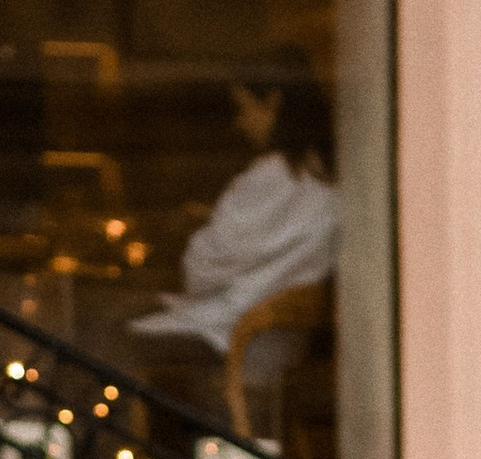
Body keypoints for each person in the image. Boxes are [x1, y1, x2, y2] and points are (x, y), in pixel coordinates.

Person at [130, 55, 341, 383]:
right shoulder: (329, 181)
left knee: (103, 330)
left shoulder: (270, 177)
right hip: (278, 347)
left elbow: (200, 270)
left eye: (243, 108)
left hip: (229, 337)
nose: (240, 123)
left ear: (272, 102)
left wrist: (201, 230)